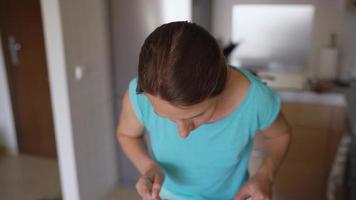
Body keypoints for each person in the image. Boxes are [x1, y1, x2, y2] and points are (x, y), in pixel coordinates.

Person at [116, 21, 292, 200]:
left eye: (196, 115)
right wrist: (148, 167)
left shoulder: (256, 98)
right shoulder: (139, 96)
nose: (183, 133)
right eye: (166, 117)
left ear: (223, 86)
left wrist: (265, 176)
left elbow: (280, 135)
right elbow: (128, 135)